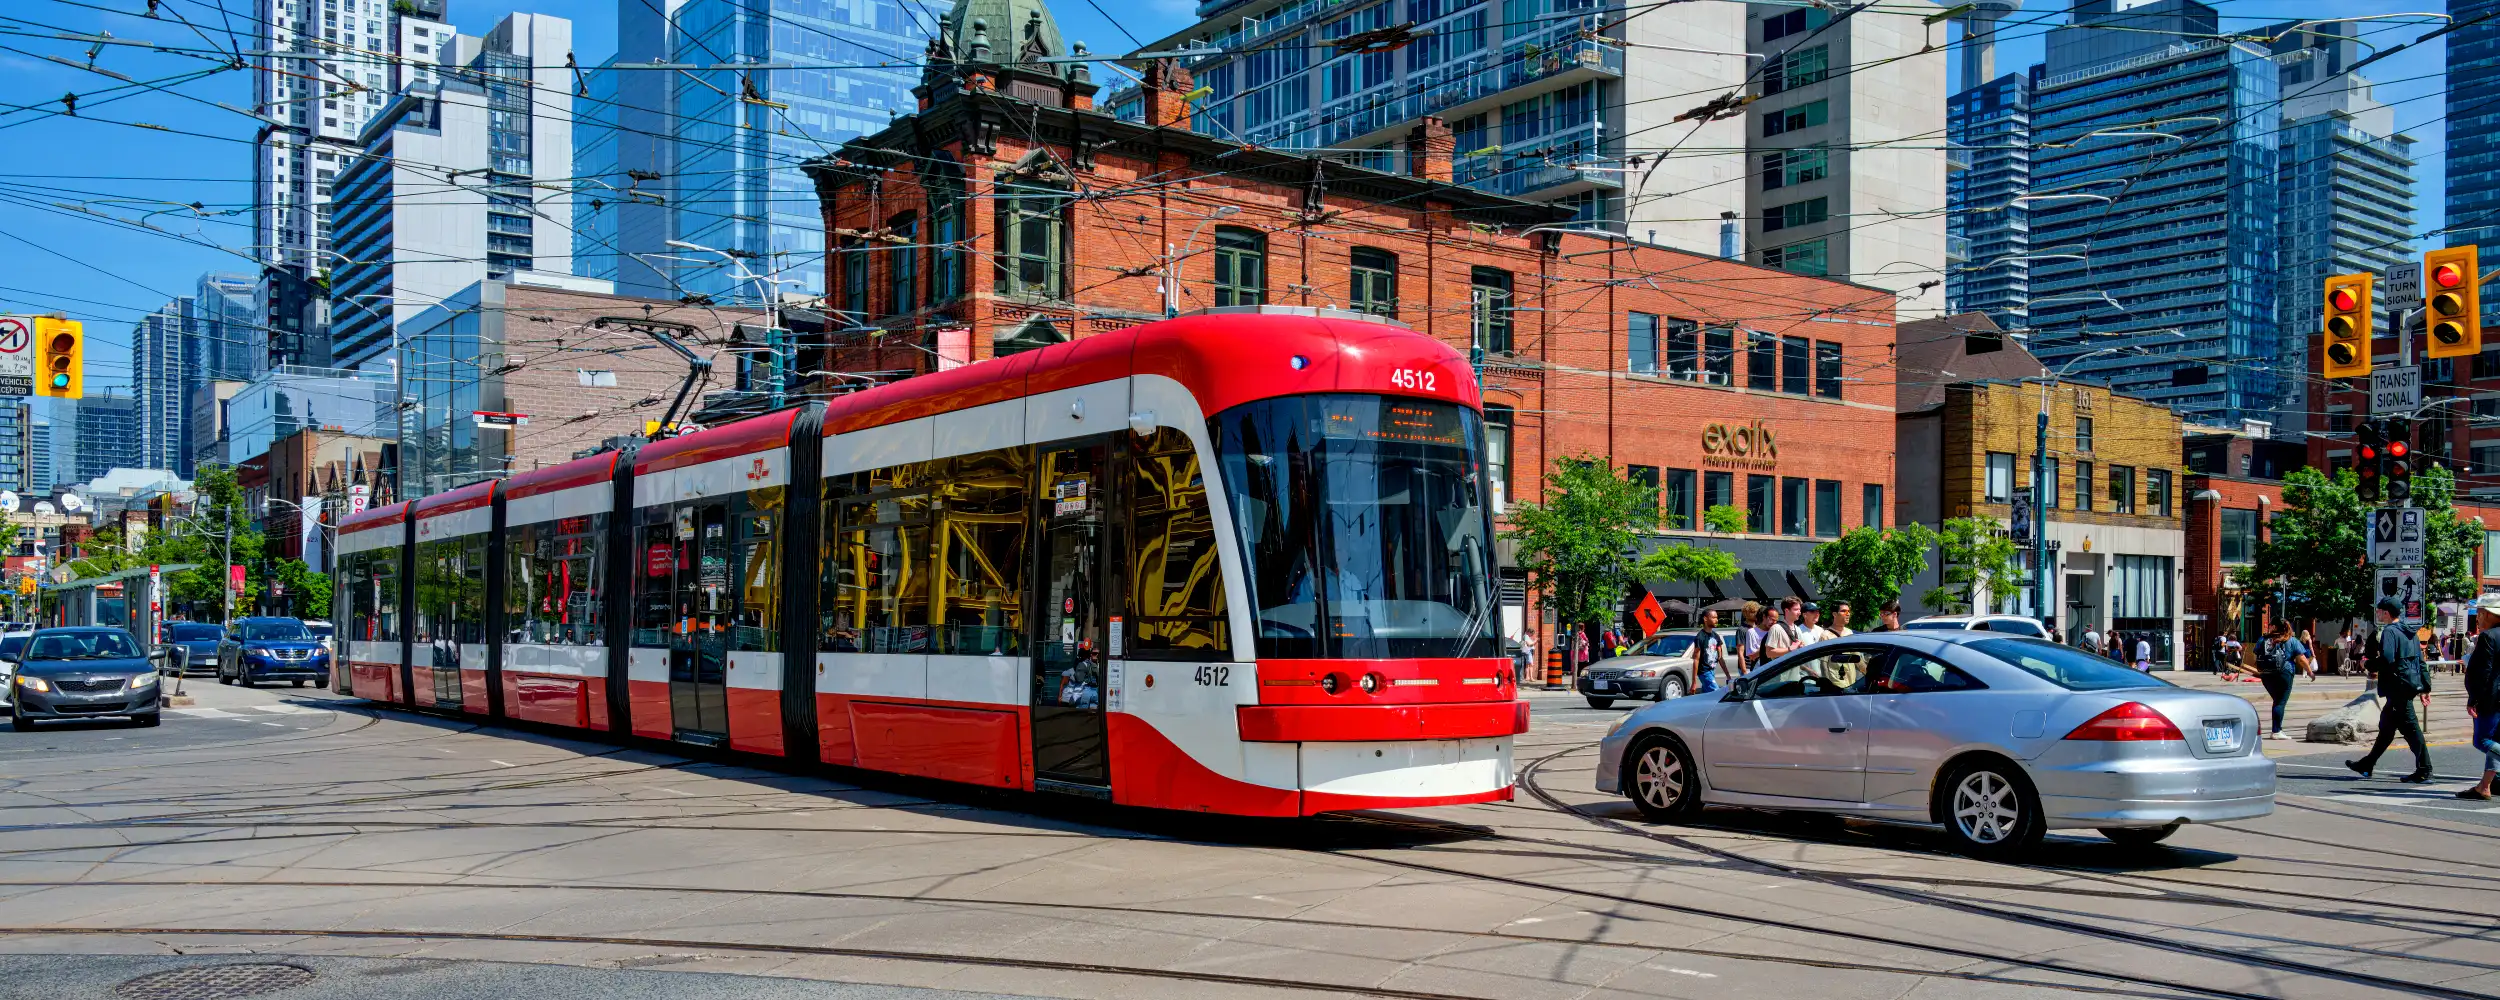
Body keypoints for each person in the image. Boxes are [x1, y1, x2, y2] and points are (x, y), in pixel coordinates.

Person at [2350, 598, 2436, 783]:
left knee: (2412, 730)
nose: (2378, 614)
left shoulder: (2389, 631)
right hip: (2408, 685)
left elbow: (2388, 658)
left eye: (2379, 611)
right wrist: (2425, 687)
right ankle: (2367, 764)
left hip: (2398, 687)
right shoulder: (2410, 632)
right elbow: (2420, 662)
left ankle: (2425, 770)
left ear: (2387, 613)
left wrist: (2368, 664)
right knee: (2387, 728)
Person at [2462, 594, 2500, 800]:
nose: (2478, 618)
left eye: (2480, 613)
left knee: (2482, 740)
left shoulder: (2488, 637)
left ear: (2488, 614)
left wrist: (2473, 699)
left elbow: (2482, 673)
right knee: (2495, 741)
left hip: (2491, 699)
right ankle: (2485, 786)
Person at [2254, 619, 2312, 740]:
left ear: (2274, 626)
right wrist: (2310, 672)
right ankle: (2276, 731)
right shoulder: (2291, 640)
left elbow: (2256, 656)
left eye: (2270, 625)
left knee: (2277, 701)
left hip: (2266, 674)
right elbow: (2301, 659)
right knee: (2280, 702)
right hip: (2284, 673)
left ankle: (2276, 730)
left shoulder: (2262, 639)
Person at [1689, 609, 1728, 694]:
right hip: (1704, 672)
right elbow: (1696, 659)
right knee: (1717, 694)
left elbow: (1720, 658)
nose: (1716, 620)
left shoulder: (1716, 636)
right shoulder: (1700, 637)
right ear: (1705, 619)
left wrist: (1728, 676)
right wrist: (1694, 682)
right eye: (1713, 617)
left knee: (1707, 697)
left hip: (1712, 670)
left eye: (1717, 617)